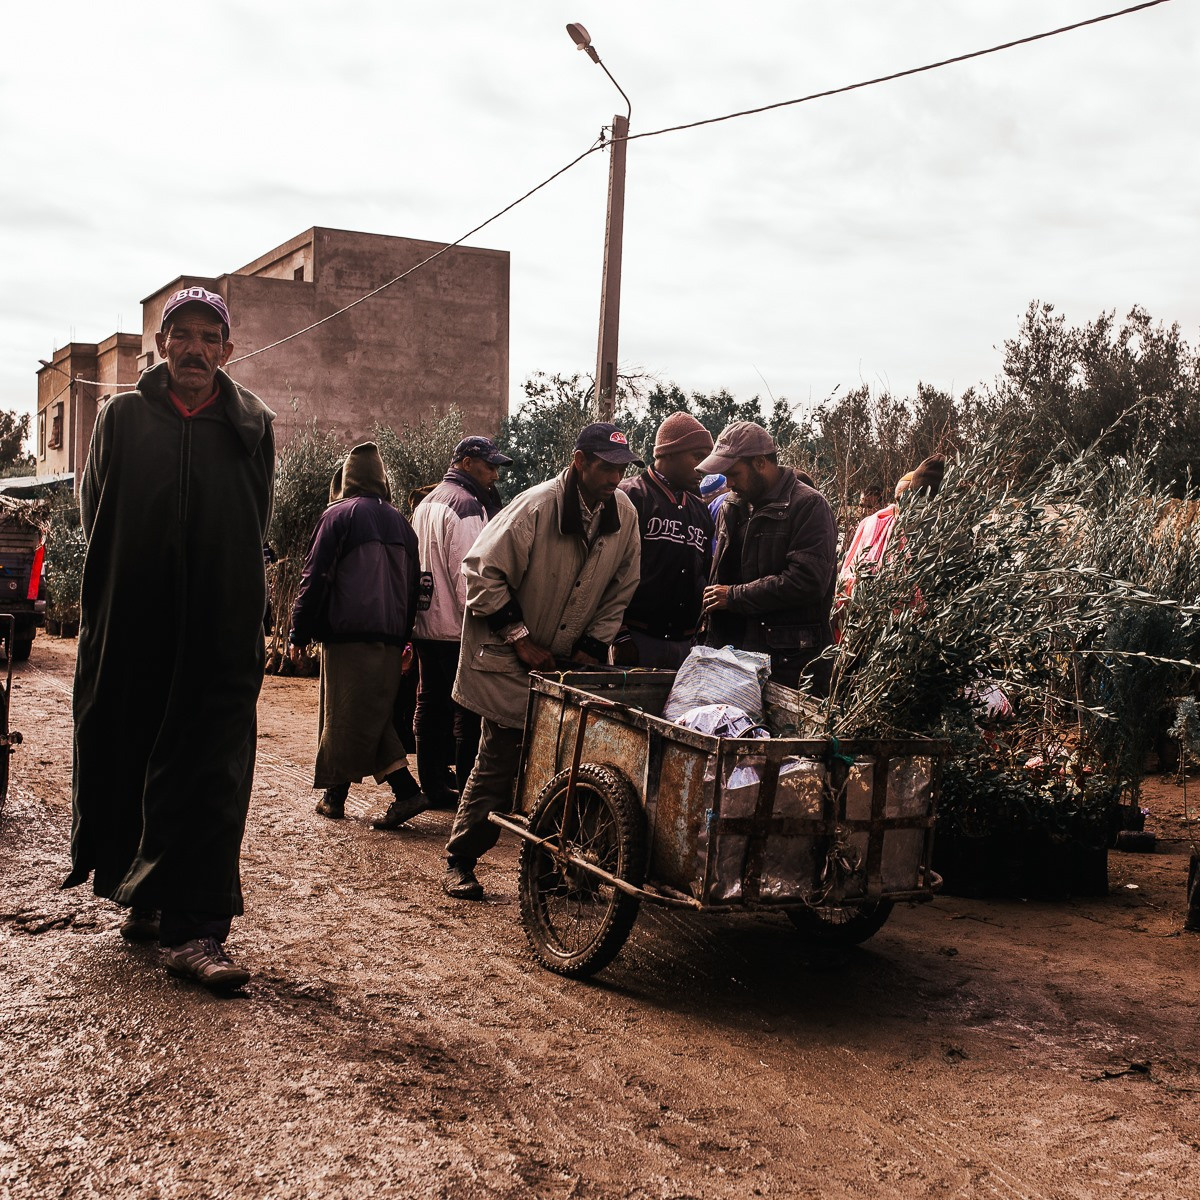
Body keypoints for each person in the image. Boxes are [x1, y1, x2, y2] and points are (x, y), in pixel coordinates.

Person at [66, 285, 275, 992]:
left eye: (208, 338)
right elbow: (95, 510)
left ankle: (198, 929)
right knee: (128, 749)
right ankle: (142, 893)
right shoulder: (120, 418)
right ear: (159, 345)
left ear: (227, 349)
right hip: (133, 619)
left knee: (212, 770)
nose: (194, 349)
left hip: (220, 624)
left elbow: (257, 520)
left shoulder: (252, 424)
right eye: (180, 335)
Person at [443, 422, 643, 900]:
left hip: (565, 662)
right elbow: (481, 571)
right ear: (579, 461)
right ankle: (461, 858)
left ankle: (552, 866)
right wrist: (519, 637)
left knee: (566, 765)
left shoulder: (625, 514)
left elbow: (623, 584)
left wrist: (593, 646)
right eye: (605, 467)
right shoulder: (535, 505)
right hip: (513, 657)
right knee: (499, 758)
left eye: (621, 469)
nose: (614, 478)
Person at [288, 442, 425, 831]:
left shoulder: (338, 515)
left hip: (348, 635)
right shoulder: (402, 523)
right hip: (390, 636)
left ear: (347, 478)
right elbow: (414, 588)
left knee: (344, 712)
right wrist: (405, 639)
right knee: (369, 712)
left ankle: (393, 792)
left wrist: (300, 628)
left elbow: (315, 577)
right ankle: (344, 794)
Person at [410, 435, 512, 807]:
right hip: (458, 626)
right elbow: (469, 575)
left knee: (429, 701)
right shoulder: (468, 506)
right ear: (467, 463)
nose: (494, 476)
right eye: (490, 466)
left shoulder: (427, 502)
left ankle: (434, 786)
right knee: (467, 710)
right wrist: (493, 622)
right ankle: (470, 792)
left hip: (425, 622)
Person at [699, 420, 838, 693]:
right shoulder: (732, 505)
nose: (729, 483)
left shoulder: (808, 505)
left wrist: (734, 596)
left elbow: (807, 581)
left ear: (761, 463)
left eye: (734, 473)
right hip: (734, 658)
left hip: (790, 664)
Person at [615, 413, 714, 669]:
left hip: (685, 643)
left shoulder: (700, 509)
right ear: (669, 453)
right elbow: (606, 572)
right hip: (637, 637)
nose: (704, 466)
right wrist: (619, 634)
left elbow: (703, 571)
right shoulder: (629, 496)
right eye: (697, 456)